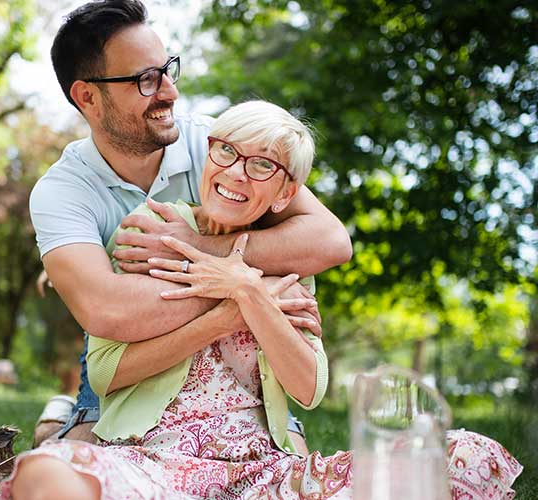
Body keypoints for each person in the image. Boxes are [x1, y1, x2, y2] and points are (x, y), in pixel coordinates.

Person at [3, 100, 522, 500]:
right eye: (226, 151)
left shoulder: (289, 257)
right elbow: (104, 375)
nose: (235, 172)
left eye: (261, 166)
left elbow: (309, 389)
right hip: (158, 462)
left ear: (285, 194)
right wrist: (224, 313)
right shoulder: (152, 230)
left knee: (469, 455)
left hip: (265, 473)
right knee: (47, 472)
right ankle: (61, 423)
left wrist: (249, 289)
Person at [30, 0, 352, 453]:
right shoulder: (61, 192)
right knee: (69, 459)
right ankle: (59, 420)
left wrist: (202, 248)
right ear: (87, 97)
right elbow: (108, 312)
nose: (170, 92)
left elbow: (330, 241)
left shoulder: (219, 145)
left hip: (242, 370)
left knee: (290, 465)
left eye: (167, 70)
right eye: (145, 79)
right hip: (135, 353)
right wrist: (247, 293)